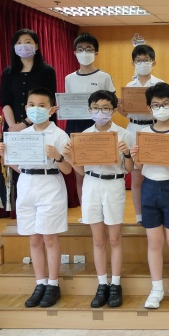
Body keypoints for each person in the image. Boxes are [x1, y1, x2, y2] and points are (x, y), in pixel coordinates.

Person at [0, 87, 72, 308]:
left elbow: (68, 170)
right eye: (31, 105)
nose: (36, 109)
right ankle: (40, 283)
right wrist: (4, 155)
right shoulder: (21, 136)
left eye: (41, 106)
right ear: (25, 107)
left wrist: (57, 156)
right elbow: (18, 167)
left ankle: (53, 284)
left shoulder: (59, 135)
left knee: (50, 238)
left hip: (50, 186)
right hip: (27, 185)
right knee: (34, 238)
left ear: (52, 109)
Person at [61, 90, 133, 308]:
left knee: (115, 238)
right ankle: (102, 284)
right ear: (89, 110)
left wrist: (127, 153)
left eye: (106, 108)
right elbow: (81, 171)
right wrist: (69, 157)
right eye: (96, 108)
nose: (101, 112)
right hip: (92, 184)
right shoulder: (84, 135)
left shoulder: (124, 134)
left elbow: (130, 169)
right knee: (98, 239)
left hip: (114, 184)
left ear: (113, 110)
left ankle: (116, 284)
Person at [130, 83, 169, 309]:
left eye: (165, 104)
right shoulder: (143, 134)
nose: (161, 108)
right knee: (154, 242)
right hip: (150, 188)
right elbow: (139, 167)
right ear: (149, 108)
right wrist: (135, 157)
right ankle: (156, 289)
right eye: (156, 105)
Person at [64, 33, 116, 207]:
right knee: (80, 172)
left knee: (100, 167)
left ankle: (102, 208)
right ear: (74, 53)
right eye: (80, 49)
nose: (84, 52)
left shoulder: (104, 77)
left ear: (96, 53)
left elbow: (112, 102)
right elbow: (68, 103)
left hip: (99, 124)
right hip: (76, 125)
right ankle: (85, 210)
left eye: (88, 49)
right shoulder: (69, 78)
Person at [117, 44, 164, 226]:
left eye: (146, 60)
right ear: (133, 63)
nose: (142, 63)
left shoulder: (160, 85)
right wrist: (119, 107)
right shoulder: (130, 86)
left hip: (154, 129)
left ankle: (156, 213)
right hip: (134, 129)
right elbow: (127, 113)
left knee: (154, 174)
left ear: (153, 62)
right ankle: (139, 215)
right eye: (139, 61)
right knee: (136, 177)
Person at [0, 29, 57, 133]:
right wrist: (13, 126)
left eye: (28, 42)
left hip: (40, 126)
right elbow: (5, 101)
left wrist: (24, 124)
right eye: (19, 43)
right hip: (13, 128)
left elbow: (49, 100)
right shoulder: (8, 73)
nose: (23, 46)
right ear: (14, 47)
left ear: (36, 46)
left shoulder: (47, 71)